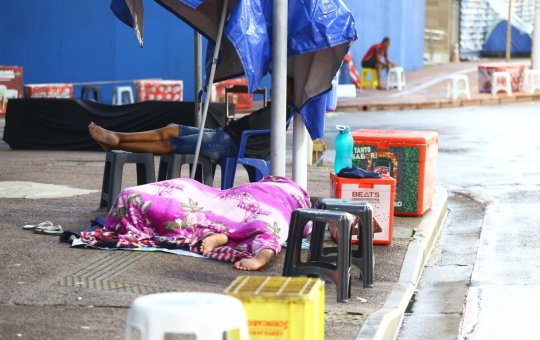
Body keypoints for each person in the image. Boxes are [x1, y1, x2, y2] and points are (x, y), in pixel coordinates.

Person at [79, 176, 311, 271]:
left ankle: (225, 234)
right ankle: (242, 242)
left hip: (235, 196)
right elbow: (304, 227)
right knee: (267, 224)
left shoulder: (271, 185)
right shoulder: (295, 200)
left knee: (200, 198)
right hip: (257, 202)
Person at [89, 79, 296, 161]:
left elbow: (252, 130)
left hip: (229, 144)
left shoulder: (280, 111)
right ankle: (117, 137)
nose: (277, 84)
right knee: (171, 128)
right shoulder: (275, 107)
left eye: (284, 84)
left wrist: (240, 122)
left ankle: (118, 142)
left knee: (170, 144)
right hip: (224, 135)